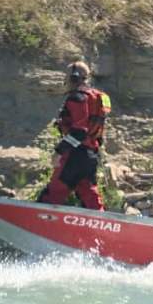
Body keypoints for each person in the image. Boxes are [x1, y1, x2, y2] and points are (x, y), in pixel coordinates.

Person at [38, 62, 112, 211]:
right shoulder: (100, 98)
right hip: (91, 155)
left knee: (53, 193)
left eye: (66, 77)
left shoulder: (77, 98)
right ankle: (101, 227)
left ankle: (36, 221)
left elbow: (79, 131)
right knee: (90, 198)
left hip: (74, 155)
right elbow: (98, 131)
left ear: (73, 78)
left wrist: (59, 152)